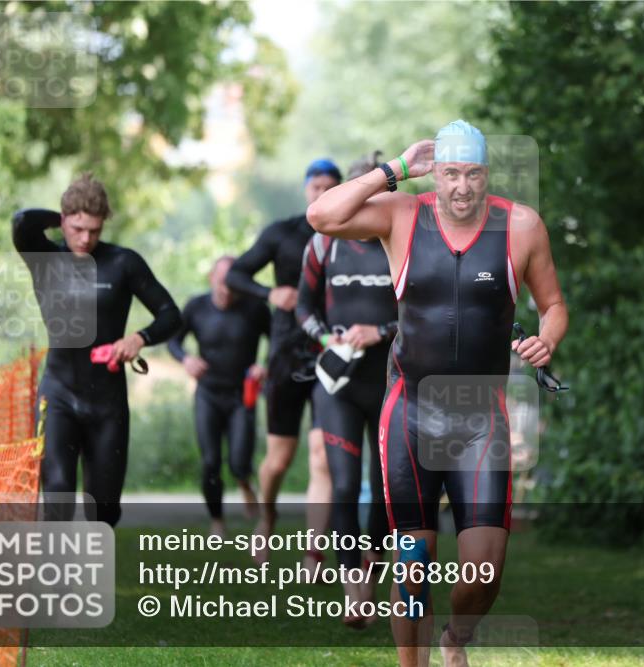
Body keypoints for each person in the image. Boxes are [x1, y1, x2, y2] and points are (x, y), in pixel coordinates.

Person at [308, 121, 568, 667]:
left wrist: (547, 339)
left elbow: (553, 305)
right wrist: (396, 169)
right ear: (436, 172)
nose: (462, 187)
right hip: (411, 414)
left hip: (480, 420)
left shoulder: (520, 226)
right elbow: (322, 216)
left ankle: (456, 638)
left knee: (485, 570)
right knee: (414, 563)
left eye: (473, 174)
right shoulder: (403, 213)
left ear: (487, 175)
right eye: (451, 173)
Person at [12, 173, 182, 526]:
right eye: (77, 228)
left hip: (107, 402)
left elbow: (170, 315)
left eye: (94, 229)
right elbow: (22, 221)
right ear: (63, 222)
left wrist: (140, 338)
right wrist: (62, 216)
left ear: (104, 224)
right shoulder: (45, 258)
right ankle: (59, 580)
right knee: (57, 495)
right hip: (58, 394)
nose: (85, 238)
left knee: (103, 510)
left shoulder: (124, 263)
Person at [297, 151, 398, 627]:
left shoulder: (401, 240)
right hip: (337, 382)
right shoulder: (323, 244)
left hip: (387, 381)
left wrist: (381, 331)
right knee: (342, 484)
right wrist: (325, 338)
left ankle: (371, 574)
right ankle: (351, 587)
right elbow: (302, 307)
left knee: (382, 489)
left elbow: (423, 313)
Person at [226, 158, 342, 569]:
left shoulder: (350, 233)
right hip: (285, 354)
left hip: (331, 353)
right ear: (306, 190)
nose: (324, 193)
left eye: (332, 186)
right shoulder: (283, 233)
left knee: (321, 455)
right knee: (278, 460)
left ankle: (314, 551)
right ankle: (268, 516)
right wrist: (269, 293)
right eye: (317, 187)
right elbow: (235, 274)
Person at [168, 256, 270, 537]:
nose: (226, 288)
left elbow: (279, 339)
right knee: (210, 461)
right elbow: (173, 339)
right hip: (208, 395)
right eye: (221, 281)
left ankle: (245, 482)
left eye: (232, 283)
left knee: (239, 461)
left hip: (242, 396)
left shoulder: (255, 308)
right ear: (211, 278)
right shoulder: (196, 307)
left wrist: (265, 365)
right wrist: (186, 359)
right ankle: (217, 521)